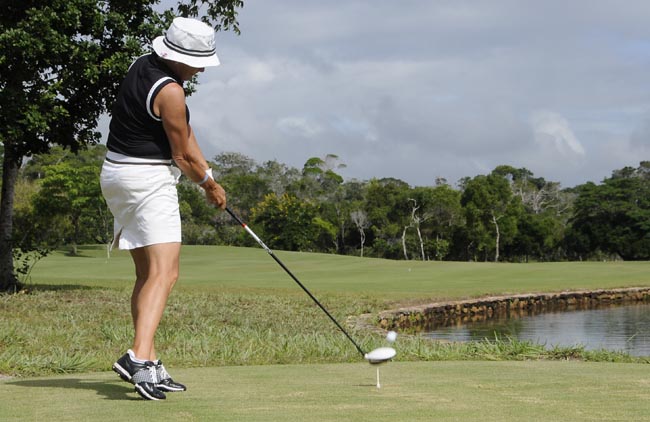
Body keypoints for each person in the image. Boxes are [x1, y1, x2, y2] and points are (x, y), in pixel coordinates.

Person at [100, 17, 227, 401]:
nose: (202, 67)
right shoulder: (172, 92)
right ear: (179, 56)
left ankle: (150, 365)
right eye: (198, 60)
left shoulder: (142, 65)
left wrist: (210, 175)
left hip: (116, 174)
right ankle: (137, 357)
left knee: (147, 275)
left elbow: (185, 135)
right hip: (147, 181)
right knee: (166, 273)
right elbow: (180, 155)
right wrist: (209, 185)